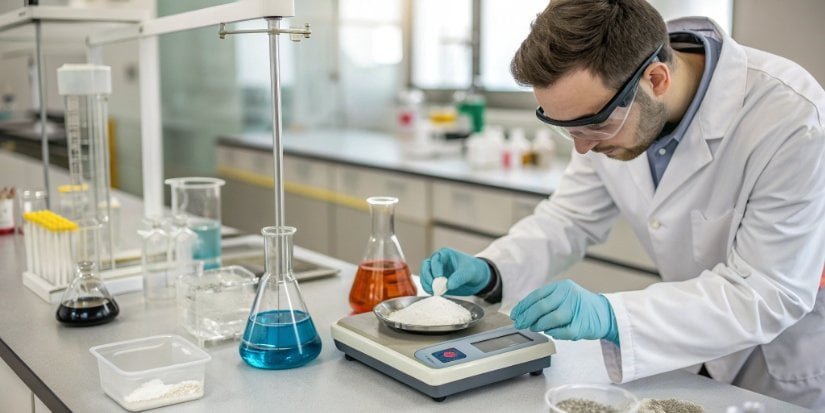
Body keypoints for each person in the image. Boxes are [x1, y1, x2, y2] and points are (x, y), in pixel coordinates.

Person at [419, 0, 825, 409]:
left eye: (594, 125)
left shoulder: (790, 116)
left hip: (777, 365)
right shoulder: (607, 103)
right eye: (566, 129)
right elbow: (569, 218)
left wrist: (613, 315)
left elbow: (769, 290)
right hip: (687, 352)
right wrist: (494, 270)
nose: (582, 147)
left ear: (657, 79)